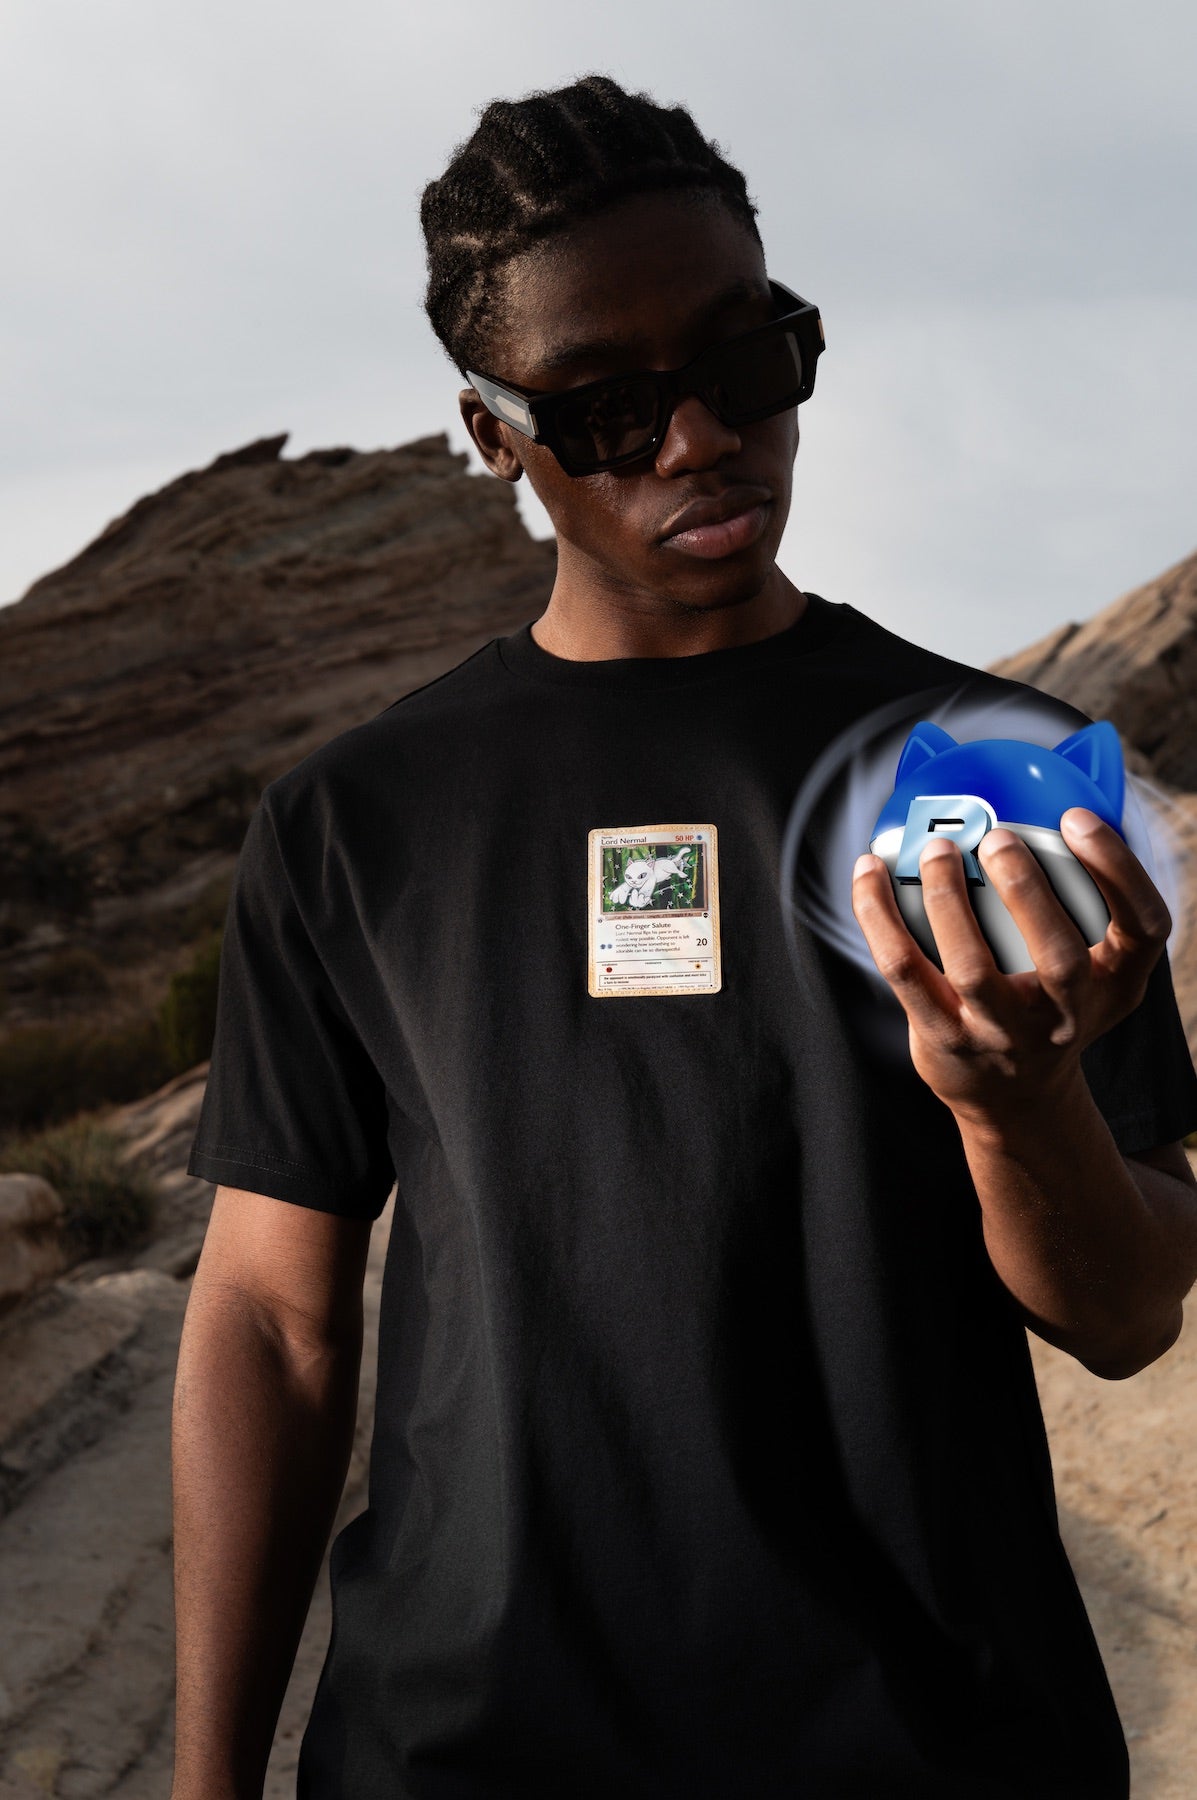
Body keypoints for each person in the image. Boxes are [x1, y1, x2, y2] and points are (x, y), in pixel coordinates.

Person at [170, 73, 1197, 1800]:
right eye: (606, 409)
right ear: (491, 433)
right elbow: (273, 1324)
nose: (699, 439)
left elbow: (1124, 1317)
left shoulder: (997, 773)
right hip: (462, 1755)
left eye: (743, 362)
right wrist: (207, 1782)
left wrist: (1019, 1112)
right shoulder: (354, 821)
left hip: (934, 1751)